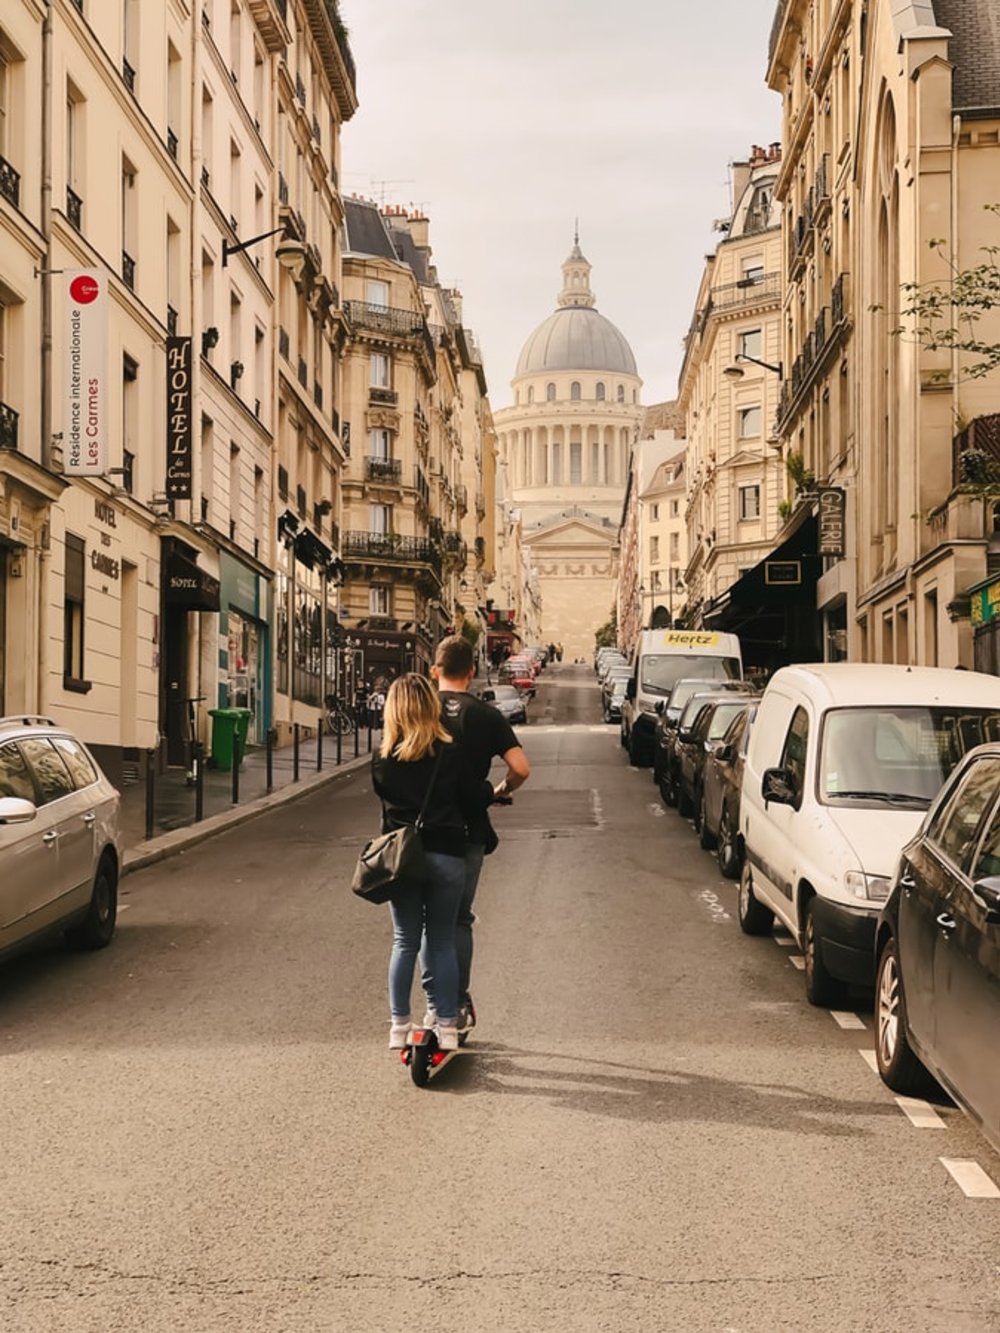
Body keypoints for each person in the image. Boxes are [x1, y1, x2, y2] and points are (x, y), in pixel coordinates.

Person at [371, 674, 493, 1051]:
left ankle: (398, 1026)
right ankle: (447, 1026)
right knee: (440, 941)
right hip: (446, 855)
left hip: (403, 860)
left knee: (404, 940)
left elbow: (387, 809)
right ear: (431, 706)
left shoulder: (382, 759)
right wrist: (491, 792)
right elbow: (473, 800)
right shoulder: (451, 752)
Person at [423, 635, 531, 1027]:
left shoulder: (418, 709)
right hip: (467, 828)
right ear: (471, 671)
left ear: (434, 670)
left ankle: (434, 1005)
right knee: (457, 919)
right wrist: (499, 791)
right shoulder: (487, 716)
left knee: (426, 920)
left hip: (421, 828)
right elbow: (521, 768)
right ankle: (458, 1004)